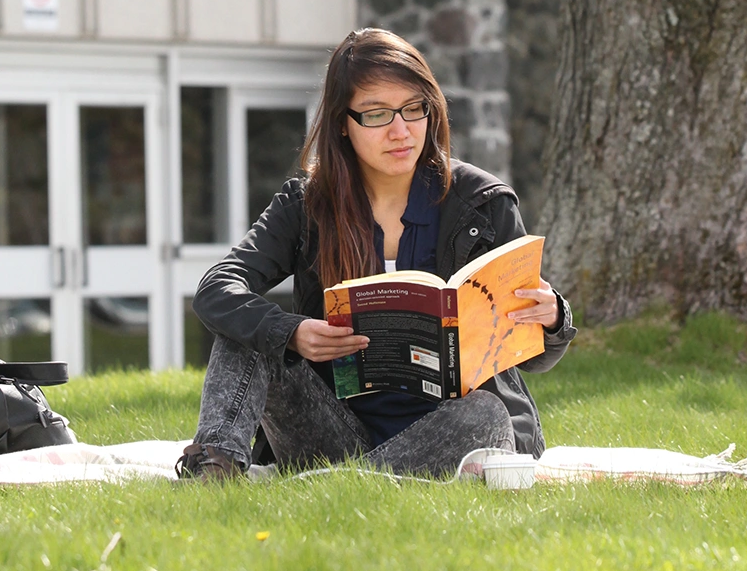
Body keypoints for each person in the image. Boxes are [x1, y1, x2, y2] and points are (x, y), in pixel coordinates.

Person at [177, 28, 576, 481]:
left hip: (451, 427)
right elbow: (216, 290)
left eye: (413, 109)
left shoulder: (483, 205)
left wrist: (552, 319)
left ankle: (344, 485)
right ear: (342, 124)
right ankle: (213, 471)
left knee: (485, 414)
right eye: (377, 115)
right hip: (332, 431)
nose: (401, 131)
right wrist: (291, 332)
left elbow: (532, 358)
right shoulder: (306, 205)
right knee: (248, 330)